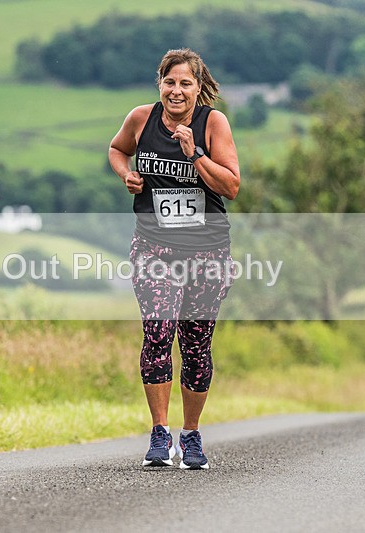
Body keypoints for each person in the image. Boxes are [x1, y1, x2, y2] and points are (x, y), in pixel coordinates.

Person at [108, 48, 240, 470]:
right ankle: (160, 433)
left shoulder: (212, 123)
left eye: (186, 83)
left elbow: (232, 186)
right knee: (159, 332)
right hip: (154, 249)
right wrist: (125, 174)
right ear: (159, 84)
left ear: (199, 88)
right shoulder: (141, 118)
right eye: (170, 82)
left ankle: (192, 434)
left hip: (206, 251)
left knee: (196, 346)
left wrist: (196, 154)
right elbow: (116, 149)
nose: (177, 91)